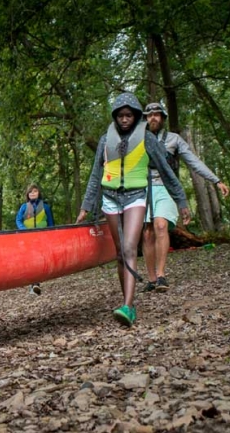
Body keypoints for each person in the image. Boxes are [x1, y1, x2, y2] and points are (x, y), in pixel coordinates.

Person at [76, 93, 189, 327]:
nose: (124, 119)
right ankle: (128, 302)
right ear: (115, 118)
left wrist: (181, 201)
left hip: (136, 197)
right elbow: (96, 176)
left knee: (129, 248)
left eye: (129, 115)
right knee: (120, 253)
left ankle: (127, 306)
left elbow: (167, 172)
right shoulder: (105, 140)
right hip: (110, 199)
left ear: (136, 117)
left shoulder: (147, 139)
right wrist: (86, 206)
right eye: (120, 115)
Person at [141, 102, 230, 293]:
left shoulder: (174, 139)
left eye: (157, 114)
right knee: (147, 232)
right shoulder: (140, 139)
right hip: (144, 188)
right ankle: (150, 279)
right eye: (149, 115)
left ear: (163, 118)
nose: (153, 118)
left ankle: (161, 275)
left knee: (161, 225)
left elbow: (193, 162)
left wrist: (216, 180)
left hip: (166, 188)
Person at [15, 184, 55, 295]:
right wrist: (23, 230)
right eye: (30, 192)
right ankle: (34, 284)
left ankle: (36, 283)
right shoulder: (24, 207)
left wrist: (51, 235)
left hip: (42, 237)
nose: (33, 193)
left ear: (39, 193)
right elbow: (18, 220)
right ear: (27, 194)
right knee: (31, 260)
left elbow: (51, 223)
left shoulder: (45, 207)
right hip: (28, 238)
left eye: (35, 191)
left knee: (40, 259)